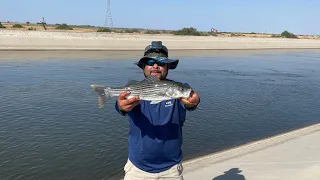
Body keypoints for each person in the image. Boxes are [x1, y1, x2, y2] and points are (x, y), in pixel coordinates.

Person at [115, 41, 200, 180]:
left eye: (161, 62)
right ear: (143, 66)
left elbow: (192, 99)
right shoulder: (134, 89)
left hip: (171, 169)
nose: (155, 66)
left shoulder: (179, 88)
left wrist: (194, 102)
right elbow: (119, 106)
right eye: (150, 61)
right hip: (137, 169)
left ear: (168, 67)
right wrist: (120, 106)